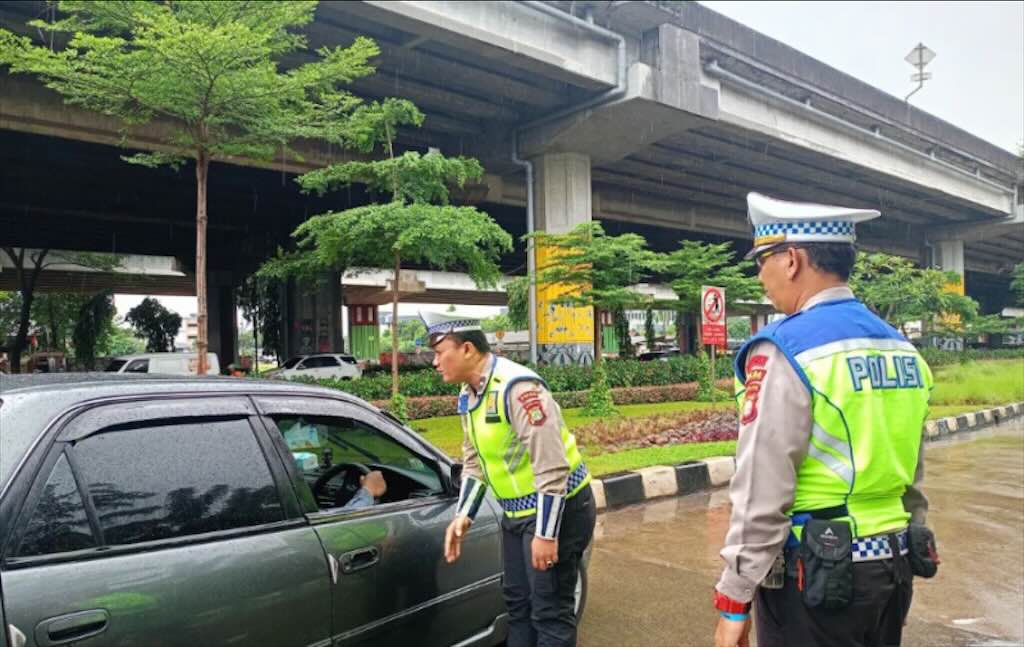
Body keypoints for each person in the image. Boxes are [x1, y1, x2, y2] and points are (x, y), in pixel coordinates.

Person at [713, 193, 935, 647]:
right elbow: (911, 471)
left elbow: (762, 484)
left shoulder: (785, 349)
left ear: (792, 260)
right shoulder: (902, 349)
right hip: (891, 568)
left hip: (816, 579)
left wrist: (735, 598)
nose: (761, 276)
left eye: (762, 261)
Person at [426, 311, 596, 647]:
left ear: (468, 350)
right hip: (516, 515)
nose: (434, 362)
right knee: (518, 605)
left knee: (550, 611)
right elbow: (474, 461)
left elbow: (552, 467)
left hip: (558, 510)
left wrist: (547, 535)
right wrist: (464, 516)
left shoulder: (518, 390)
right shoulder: (469, 394)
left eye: (439, 351)